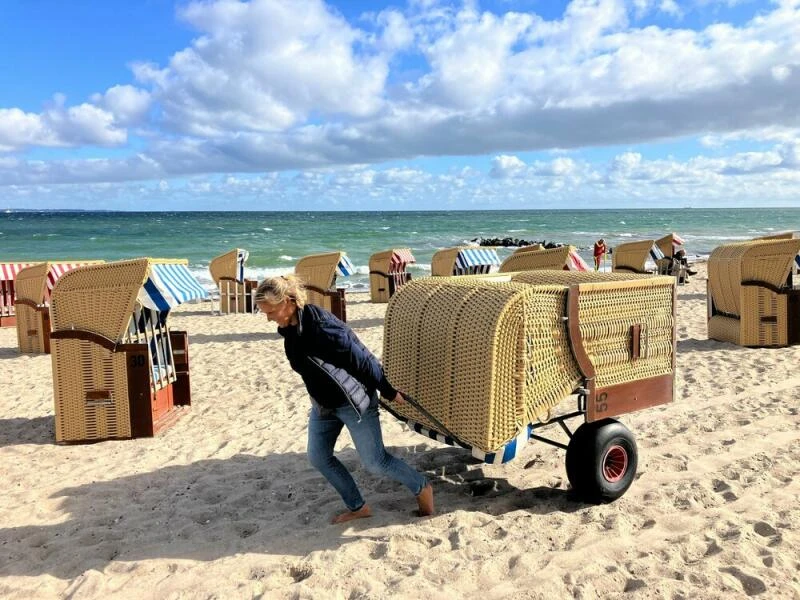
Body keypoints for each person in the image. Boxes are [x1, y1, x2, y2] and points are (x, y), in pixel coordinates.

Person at [254, 275, 434, 524]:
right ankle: (358, 507)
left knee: (375, 462)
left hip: (352, 404)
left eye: (271, 311)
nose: (269, 317)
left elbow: (363, 359)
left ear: (288, 302)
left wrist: (389, 391)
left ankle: (421, 486)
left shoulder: (322, 328)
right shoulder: (291, 329)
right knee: (319, 457)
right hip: (323, 406)